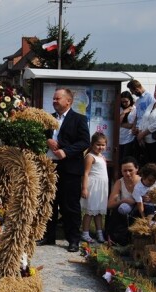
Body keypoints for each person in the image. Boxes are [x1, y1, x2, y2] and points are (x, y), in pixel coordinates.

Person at [38, 88, 90, 253]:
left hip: (70, 168)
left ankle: (73, 240)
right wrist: (47, 140)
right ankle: (49, 235)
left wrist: (65, 151)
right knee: (49, 203)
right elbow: (39, 135)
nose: (54, 101)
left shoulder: (79, 119)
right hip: (51, 166)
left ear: (68, 101)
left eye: (57, 98)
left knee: (70, 206)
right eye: (53, 98)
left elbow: (84, 142)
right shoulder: (49, 118)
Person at [79, 132, 109, 244]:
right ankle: (85, 233)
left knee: (99, 211)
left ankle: (99, 232)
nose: (101, 147)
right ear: (92, 144)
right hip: (93, 186)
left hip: (101, 187)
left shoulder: (102, 157)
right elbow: (86, 173)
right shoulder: (90, 157)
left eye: (103, 145)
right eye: (98, 144)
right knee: (90, 211)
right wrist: (84, 188)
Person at [106, 156, 141, 245]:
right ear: (121, 171)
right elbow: (109, 204)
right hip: (124, 210)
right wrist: (123, 200)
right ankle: (115, 239)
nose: (127, 173)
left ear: (137, 169)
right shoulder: (119, 182)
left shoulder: (142, 181)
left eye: (130, 170)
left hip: (139, 209)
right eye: (124, 171)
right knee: (118, 209)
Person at [127, 79, 155, 165]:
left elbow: (151, 115)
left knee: (146, 156)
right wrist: (134, 127)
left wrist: (142, 130)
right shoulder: (138, 100)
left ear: (137, 88)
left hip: (145, 131)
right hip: (138, 130)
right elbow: (137, 116)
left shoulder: (150, 98)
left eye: (132, 91)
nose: (132, 94)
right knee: (136, 155)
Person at [118, 91, 136, 164]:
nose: (124, 103)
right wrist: (124, 112)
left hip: (129, 137)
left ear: (130, 100)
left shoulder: (134, 108)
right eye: (122, 102)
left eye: (126, 101)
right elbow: (117, 122)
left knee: (126, 158)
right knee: (119, 158)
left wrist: (122, 124)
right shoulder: (120, 109)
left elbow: (132, 124)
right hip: (119, 137)